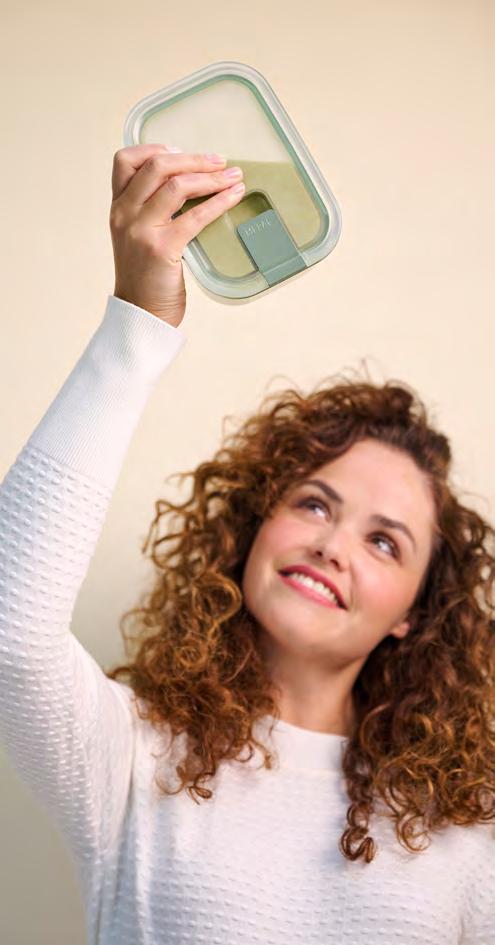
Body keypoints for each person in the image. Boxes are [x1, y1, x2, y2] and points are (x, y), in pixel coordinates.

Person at [0, 144, 493, 945]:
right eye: (314, 503)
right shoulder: (132, 756)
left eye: (383, 541)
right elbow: (9, 628)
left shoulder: (467, 829)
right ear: (252, 530)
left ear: (415, 611)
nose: (332, 544)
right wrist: (137, 323)